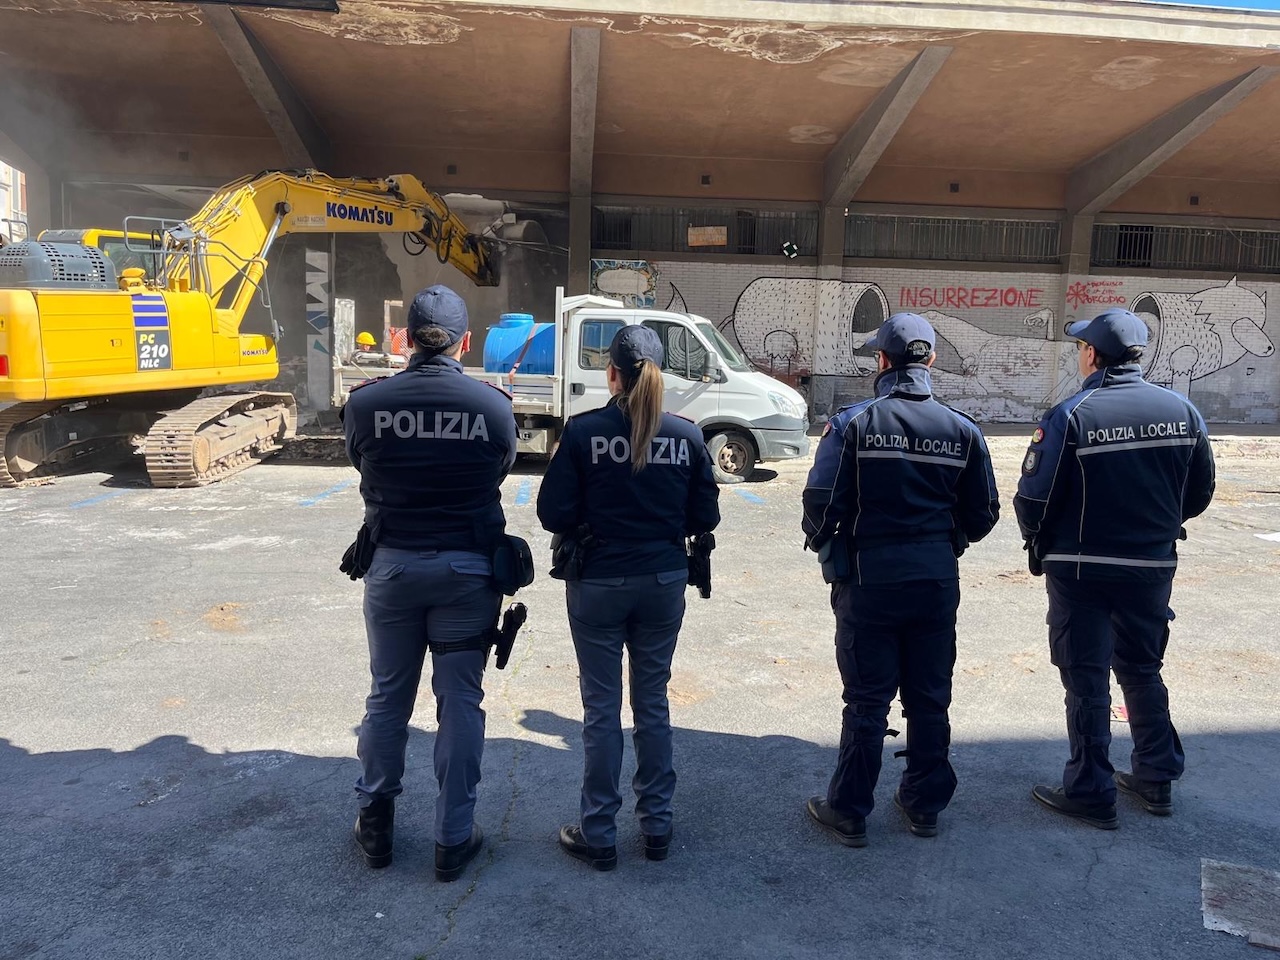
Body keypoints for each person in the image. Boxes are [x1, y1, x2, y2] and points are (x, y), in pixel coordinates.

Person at [801, 313, 999, 845]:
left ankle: (849, 811)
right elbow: (983, 514)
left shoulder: (855, 423)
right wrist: (944, 540)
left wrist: (826, 541)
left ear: (882, 361)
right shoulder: (963, 429)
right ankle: (924, 805)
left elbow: (820, 500)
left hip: (869, 580)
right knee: (930, 697)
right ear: (930, 359)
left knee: (867, 701)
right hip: (935, 580)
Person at [341, 284, 517, 881]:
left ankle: (376, 827)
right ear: (465, 343)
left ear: (407, 340)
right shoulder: (493, 407)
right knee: (460, 700)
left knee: (388, 696)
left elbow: (361, 463)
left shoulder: (366, 403)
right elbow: (500, 468)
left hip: (392, 567)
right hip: (468, 572)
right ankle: (453, 837)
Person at [1015, 308, 1215, 829]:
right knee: (1142, 668)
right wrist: (1153, 527)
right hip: (1151, 565)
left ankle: (1090, 790)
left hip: (1081, 568)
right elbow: (1198, 493)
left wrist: (1038, 539)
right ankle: (1156, 777)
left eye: (1082, 347)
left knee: (1086, 677)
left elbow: (1034, 498)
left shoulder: (1072, 414)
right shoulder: (1183, 411)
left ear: (1092, 354)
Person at [537, 325, 720, 871]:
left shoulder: (583, 431)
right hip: (663, 580)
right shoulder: (686, 435)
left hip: (598, 581)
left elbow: (552, 513)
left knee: (601, 709)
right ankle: (657, 825)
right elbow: (706, 515)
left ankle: (599, 833)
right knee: (652, 703)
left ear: (611, 373)